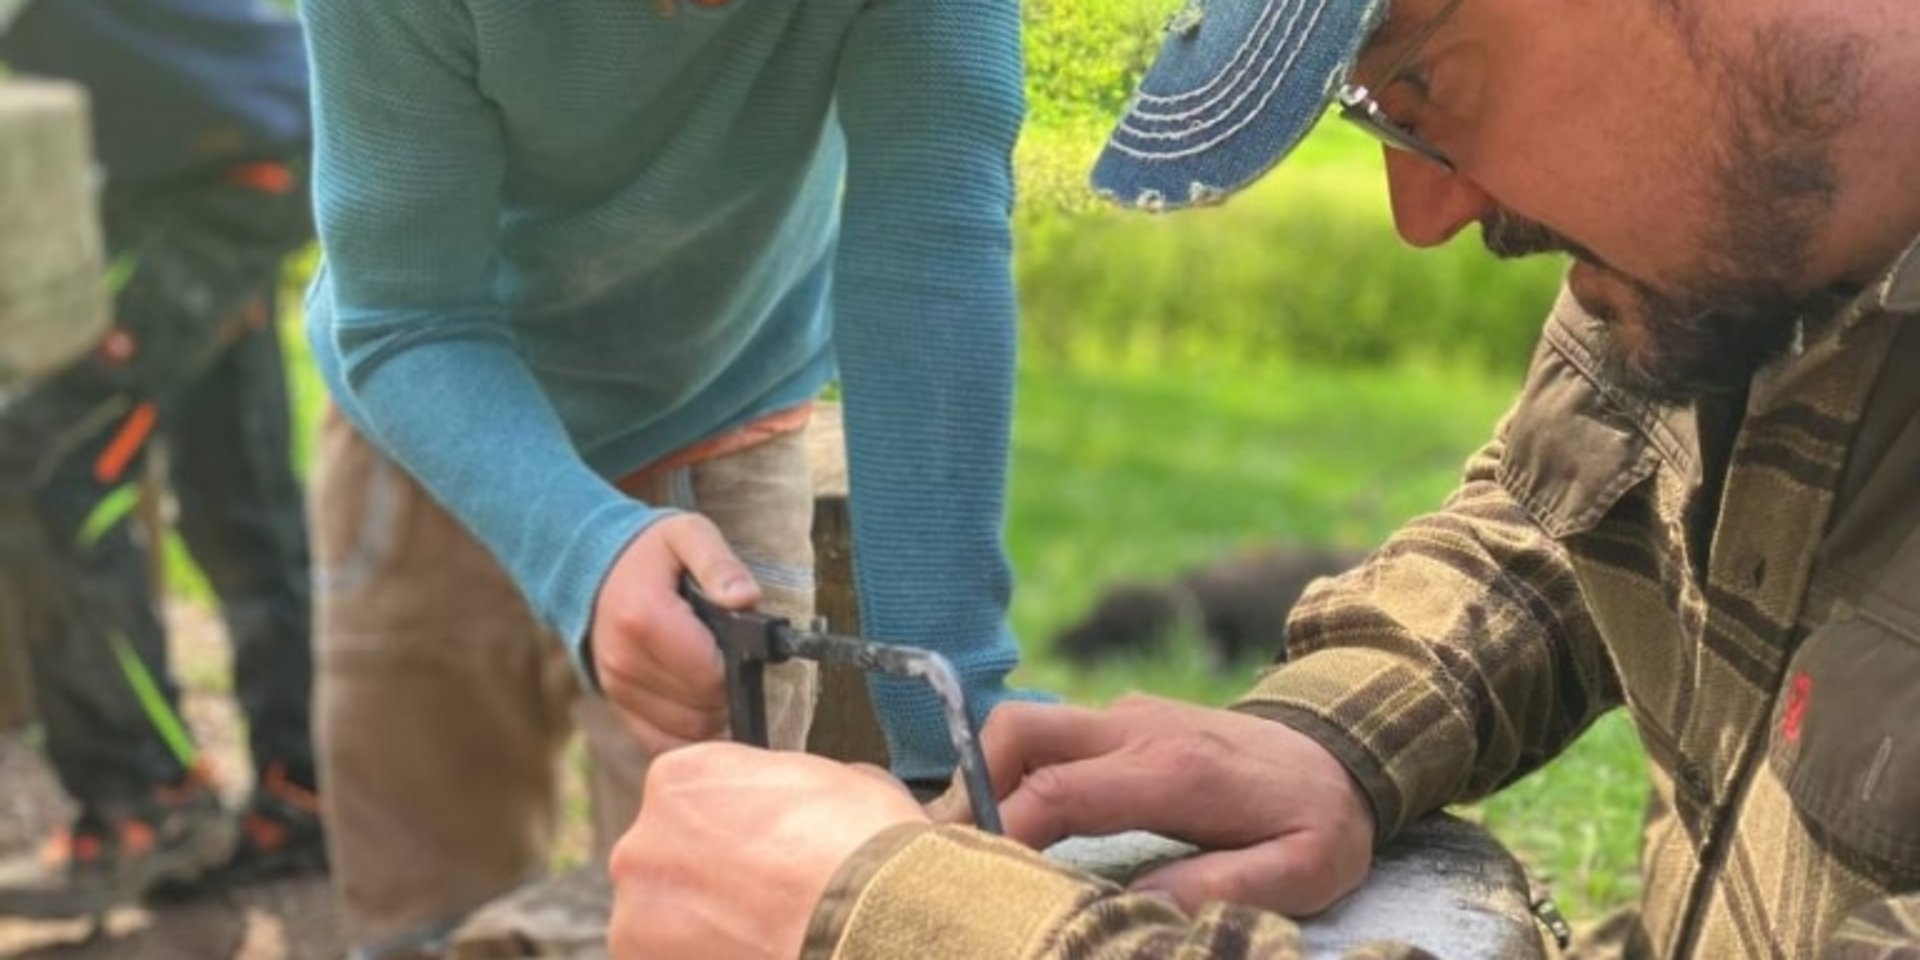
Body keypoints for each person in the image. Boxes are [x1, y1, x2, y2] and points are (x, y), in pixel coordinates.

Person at [603, 0, 1920, 955]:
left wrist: (917, 923)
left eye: (1421, 85)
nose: (1425, 216)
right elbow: (1558, 509)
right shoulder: (1729, 240)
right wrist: (1334, 736)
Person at [299, 0, 1041, 954]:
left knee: (722, 916)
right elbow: (407, 312)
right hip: (428, 424)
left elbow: (928, 239)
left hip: (718, 406)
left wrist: (950, 726)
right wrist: (583, 547)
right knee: (424, 917)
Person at [0, 0, 321, 918]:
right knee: (236, 485)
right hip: (237, 143)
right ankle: (306, 786)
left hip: (223, 166)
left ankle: (145, 802)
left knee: (39, 469)